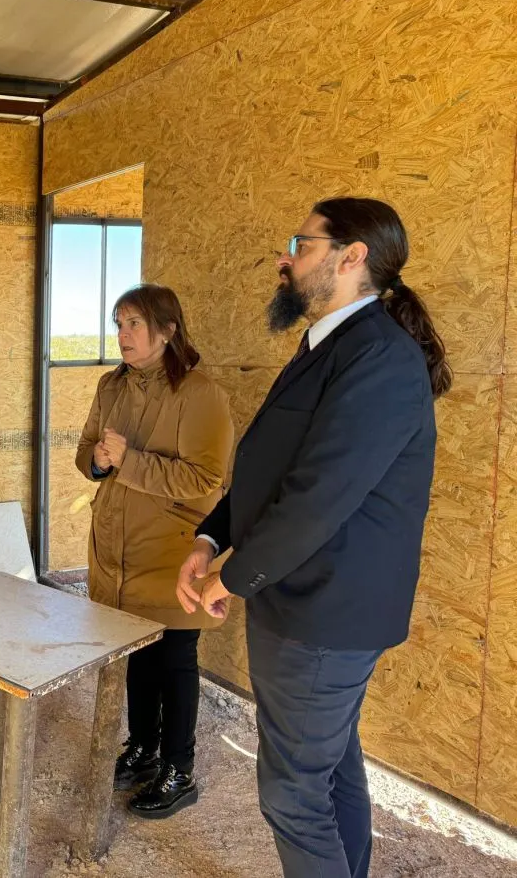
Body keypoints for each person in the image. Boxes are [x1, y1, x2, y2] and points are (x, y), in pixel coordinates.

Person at [178, 198, 451, 878]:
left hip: (325, 613)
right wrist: (210, 539)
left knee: (294, 796)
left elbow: (316, 498)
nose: (285, 258)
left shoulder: (379, 357)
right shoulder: (328, 345)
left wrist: (232, 577)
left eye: (301, 244)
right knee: (328, 771)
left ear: (352, 257)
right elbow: (272, 470)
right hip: (301, 602)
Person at [76, 284, 233, 818]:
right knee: (136, 654)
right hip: (117, 549)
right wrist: (97, 461)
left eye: (134, 324)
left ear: (167, 330)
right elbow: (87, 450)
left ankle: (178, 769)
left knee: (174, 658)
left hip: (173, 552)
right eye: (118, 324)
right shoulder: (111, 385)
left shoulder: (200, 392)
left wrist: (128, 462)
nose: (122, 335)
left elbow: (206, 477)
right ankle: (143, 748)